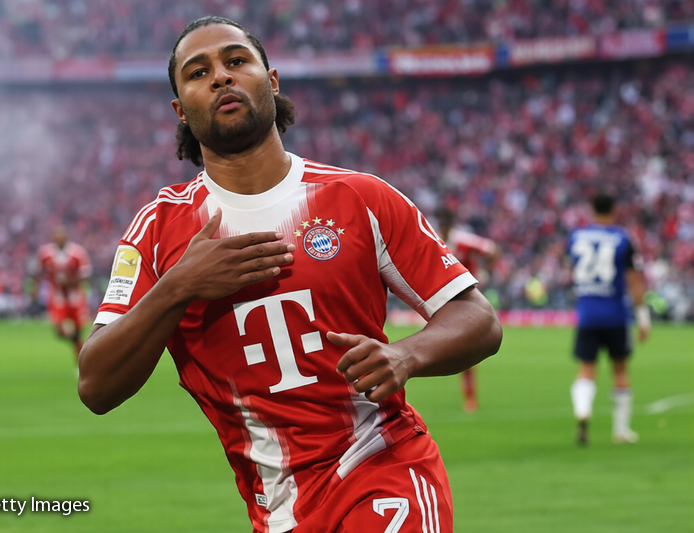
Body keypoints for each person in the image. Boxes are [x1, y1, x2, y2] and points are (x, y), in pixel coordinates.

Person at [78, 16, 502, 533]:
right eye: (198, 72)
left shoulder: (360, 197)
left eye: (236, 61)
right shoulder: (157, 230)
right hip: (279, 510)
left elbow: (478, 318)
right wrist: (178, 287)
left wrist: (406, 355)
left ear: (272, 81)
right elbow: (96, 385)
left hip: (385, 470)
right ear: (181, 111)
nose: (221, 76)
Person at [567, 192, 650, 446]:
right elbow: (634, 281)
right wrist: (643, 317)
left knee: (586, 369)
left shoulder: (576, 236)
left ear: (591, 210)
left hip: (587, 313)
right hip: (615, 314)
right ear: (614, 209)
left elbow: (572, 270)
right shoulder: (623, 238)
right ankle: (621, 430)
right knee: (620, 369)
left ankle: (583, 411)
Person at [434, 207, 500, 413]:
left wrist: (483, 274)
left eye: (446, 225)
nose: (443, 228)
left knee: (466, 347)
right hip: (443, 298)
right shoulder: (433, 240)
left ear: (451, 225)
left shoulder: (464, 241)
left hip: (467, 298)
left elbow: (493, 250)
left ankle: (470, 398)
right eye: (441, 224)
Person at [34, 225, 92, 363]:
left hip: (75, 298)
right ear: (53, 237)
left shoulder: (77, 253)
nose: (59, 238)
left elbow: (86, 275)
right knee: (59, 331)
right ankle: (84, 350)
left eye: (61, 235)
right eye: (56, 235)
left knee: (78, 330)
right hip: (57, 298)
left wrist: (70, 281)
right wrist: (35, 289)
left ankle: (81, 361)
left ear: (67, 236)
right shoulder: (45, 253)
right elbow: (39, 272)